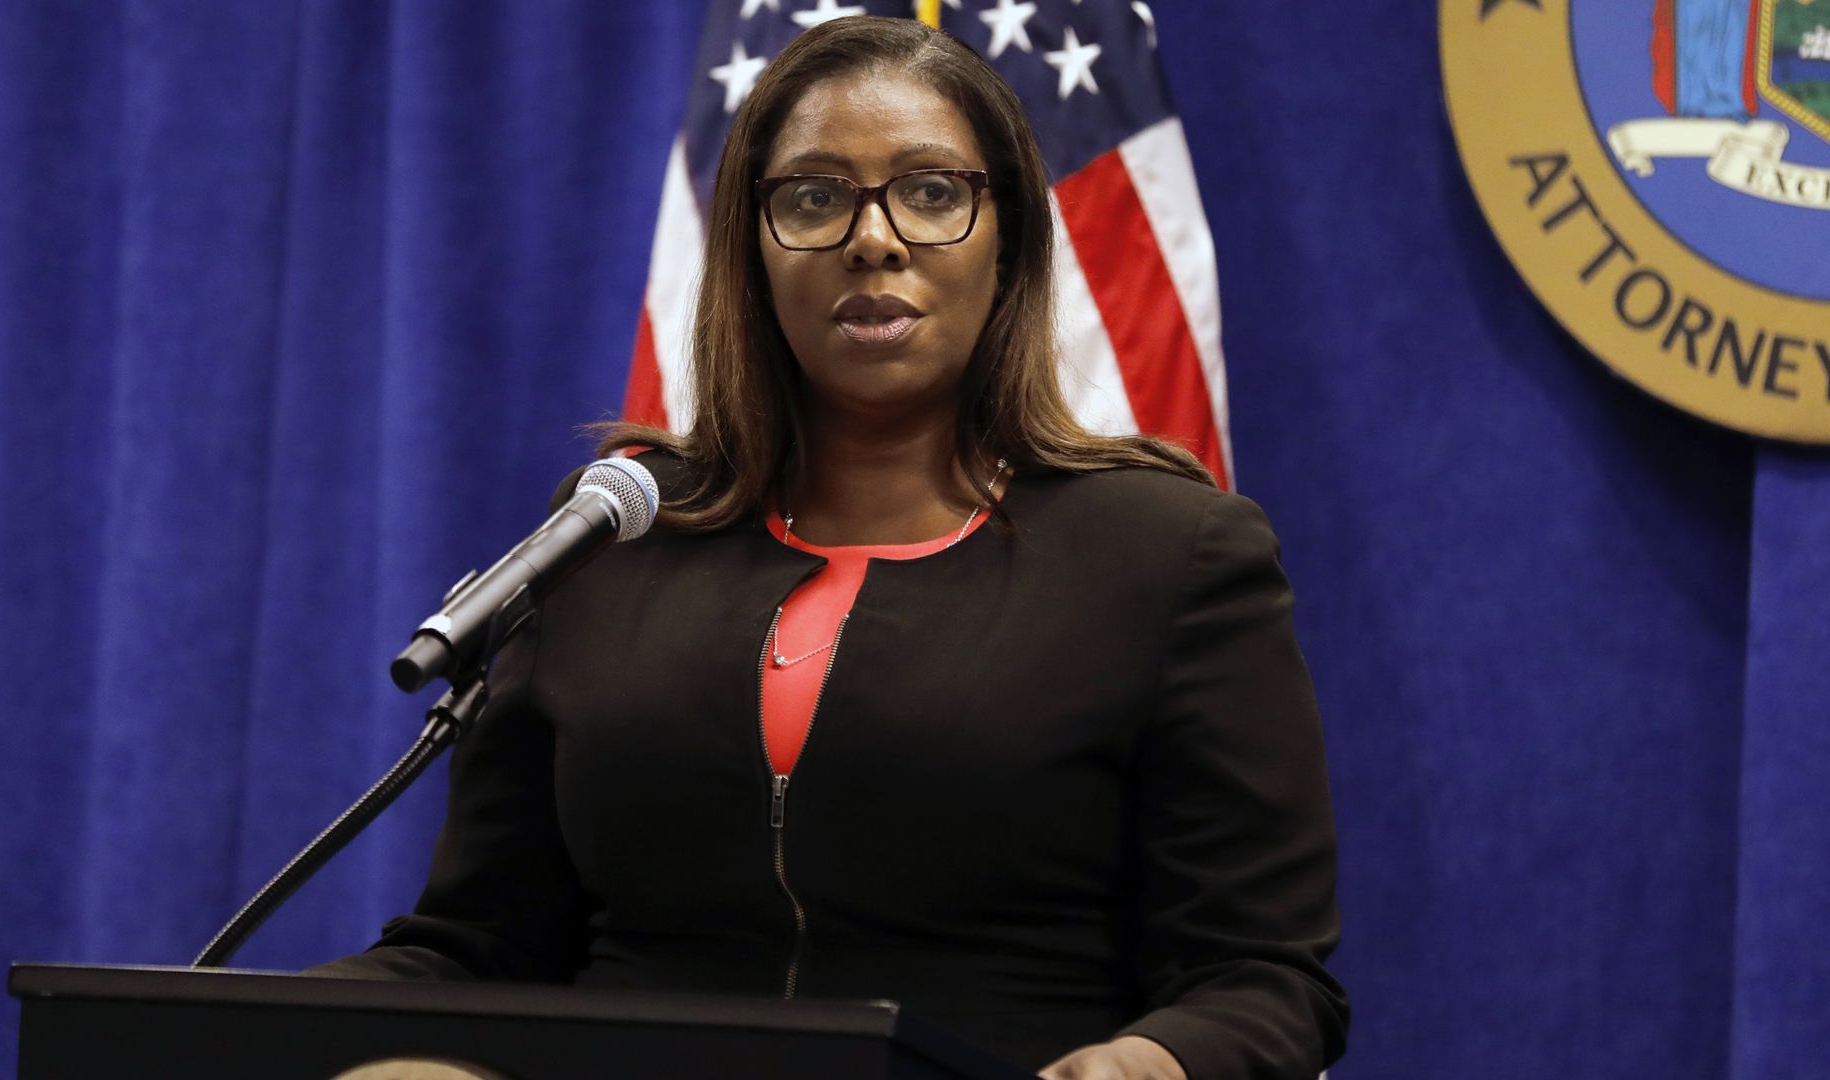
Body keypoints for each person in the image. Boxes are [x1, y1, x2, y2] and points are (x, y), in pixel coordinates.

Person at [319, 16, 1347, 1080]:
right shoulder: (615, 541)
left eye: (933, 192)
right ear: (752, 253)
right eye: (813, 198)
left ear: (1008, 244)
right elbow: (478, 946)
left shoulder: (1167, 556)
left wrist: (1145, 1065)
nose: (874, 239)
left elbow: (1262, 980)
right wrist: (245, 1024)